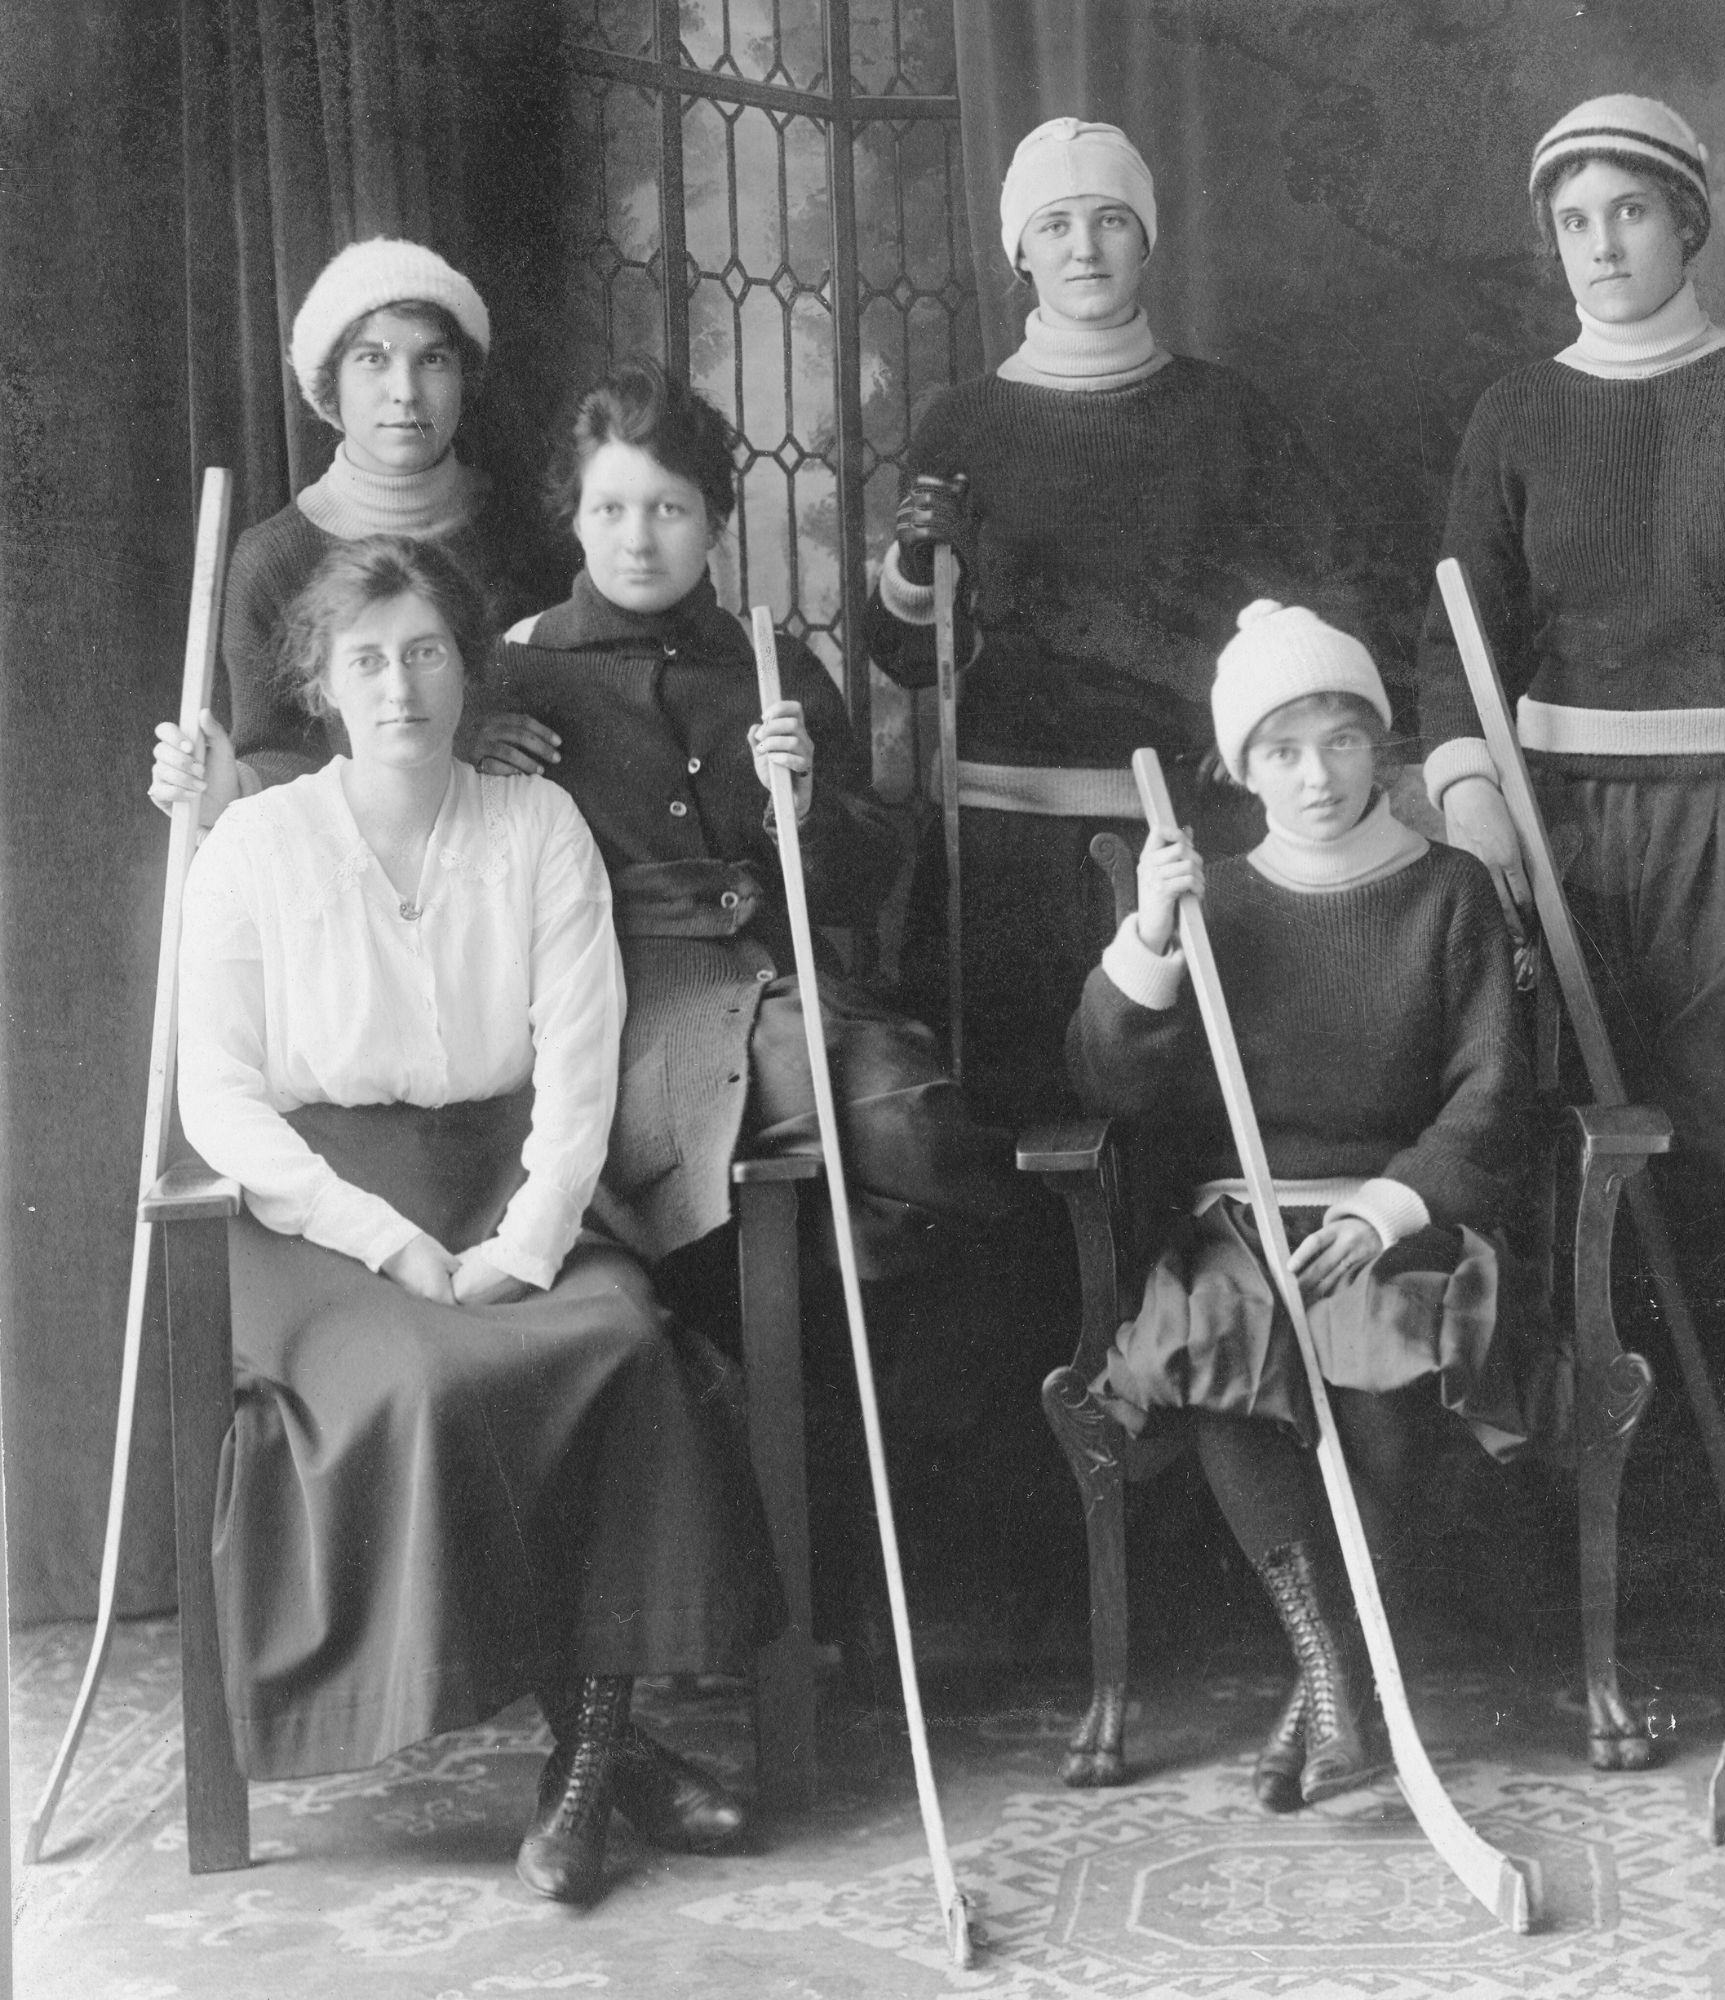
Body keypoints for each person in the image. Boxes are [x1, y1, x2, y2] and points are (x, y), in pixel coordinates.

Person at [172, 535, 782, 1904]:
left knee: (618, 1341)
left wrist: (527, 1236)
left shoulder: (534, 825)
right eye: (368, 660)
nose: (402, 688)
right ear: (321, 684)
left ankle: (587, 1768)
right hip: (313, 1220)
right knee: (430, 1379)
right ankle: (596, 1753)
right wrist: (386, 1242)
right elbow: (215, 1095)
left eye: (429, 653)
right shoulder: (256, 844)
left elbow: (579, 1055)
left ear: (469, 668)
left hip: (504, 1179)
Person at [485, 359, 1019, 1474]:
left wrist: (808, 810)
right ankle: (786, 1433)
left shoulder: (773, 664)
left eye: (670, 509)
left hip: (781, 990)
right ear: (573, 519)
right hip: (618, 1014)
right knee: (803, 1184)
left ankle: (870, 1447)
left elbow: (866, 881)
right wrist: (468, 760)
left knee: (918, 1122)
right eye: (612, 509)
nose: (640, 538)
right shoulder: (518, 673)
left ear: (716, 520)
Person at [1415, 92, 1725, 1285]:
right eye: (1574, 218)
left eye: (1629, 209)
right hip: (1552, 818)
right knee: (1563, 1112)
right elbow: (1455, 636)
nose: (1601, 242)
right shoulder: (1516, 409)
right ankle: (1586, 1404)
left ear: (1685, 223)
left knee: (1723, 1114)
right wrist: (1471, 791)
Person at [1069, 601, 1554, 1809]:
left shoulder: (1448, 891)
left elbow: (1493, 1091)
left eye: (1340, 740)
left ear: (1379, 748)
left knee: (1380, 1340)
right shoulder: (1215, 899)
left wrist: (1391, 1208)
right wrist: (1149, 935)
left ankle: (1332, 1690)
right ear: (1240, 769)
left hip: (1395, 1213)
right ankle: (1333, 1667)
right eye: (1280, 749)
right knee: (1215, 1336)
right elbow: (1108, 1078)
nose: (1315, 773)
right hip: (1248, 1213)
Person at [865, 116, 1356, 1125]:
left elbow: (1328, 599)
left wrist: (1259, 715)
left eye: (1108, 220)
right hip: (1002, 858)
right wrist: (919, 561)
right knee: (1017, 1131)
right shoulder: (962, 422)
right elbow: (913, 660)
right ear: (1020, 253)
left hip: (1189, 840)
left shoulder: (1228, 416)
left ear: (1147, 240)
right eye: (1053, 225)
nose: (1083, 248)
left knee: (1181, 1130)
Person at [213, 238, 559, 791]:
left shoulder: (533, 528)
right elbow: (276, 758)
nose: (406, 392)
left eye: (433, 359)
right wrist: (449, 749)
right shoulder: (273, 561)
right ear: (330, 384)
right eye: (373, 359)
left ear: (463, 380)